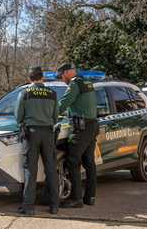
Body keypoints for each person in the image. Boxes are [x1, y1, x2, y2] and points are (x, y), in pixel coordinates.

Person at [15, 66, 60, 215]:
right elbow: (55, 118)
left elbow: (18, 118)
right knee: (51, 170)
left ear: (29, 79)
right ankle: (54, 206)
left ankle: (28, 207)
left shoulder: (24, 93)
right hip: (48, 134)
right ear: (42, 78)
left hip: (31, 134)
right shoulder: (52, 95)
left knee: (30, 171)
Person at [57, 63, 100, 208]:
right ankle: (90, 197)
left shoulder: (75, 84)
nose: (62, 79)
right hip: (92, 124)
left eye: (62, 76)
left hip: (82, 128)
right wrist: (68, 112)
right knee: (89, 162)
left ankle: (76, 199)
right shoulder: (87, 82)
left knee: (72, 160)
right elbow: (82, 105)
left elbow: (64, 102)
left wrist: (50, 112)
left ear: (67, 72)